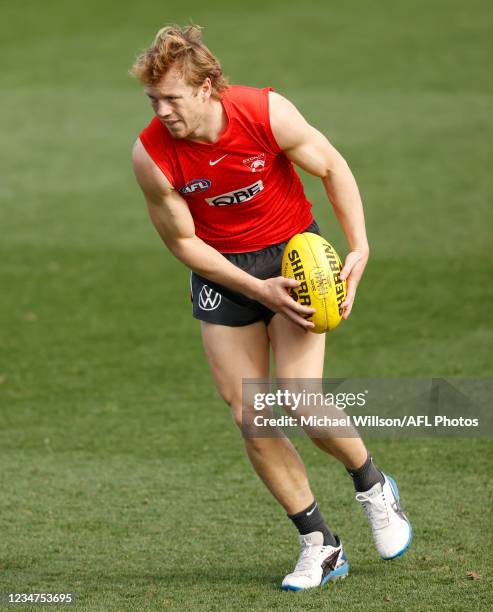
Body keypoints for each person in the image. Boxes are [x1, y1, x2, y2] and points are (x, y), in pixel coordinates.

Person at [130, 25, 412, 591]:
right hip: (222, 272)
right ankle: (320, 544)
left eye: (173, 98)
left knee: (301, 399)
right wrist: (255, 290)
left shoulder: (265, 113)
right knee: (250, 415)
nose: (162, 111)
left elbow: (331, 167)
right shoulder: (152, 156)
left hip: (294, 256)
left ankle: (372, 484)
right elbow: (183, 244)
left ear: (208, 87)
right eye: (153, 100)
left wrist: (358, 246)